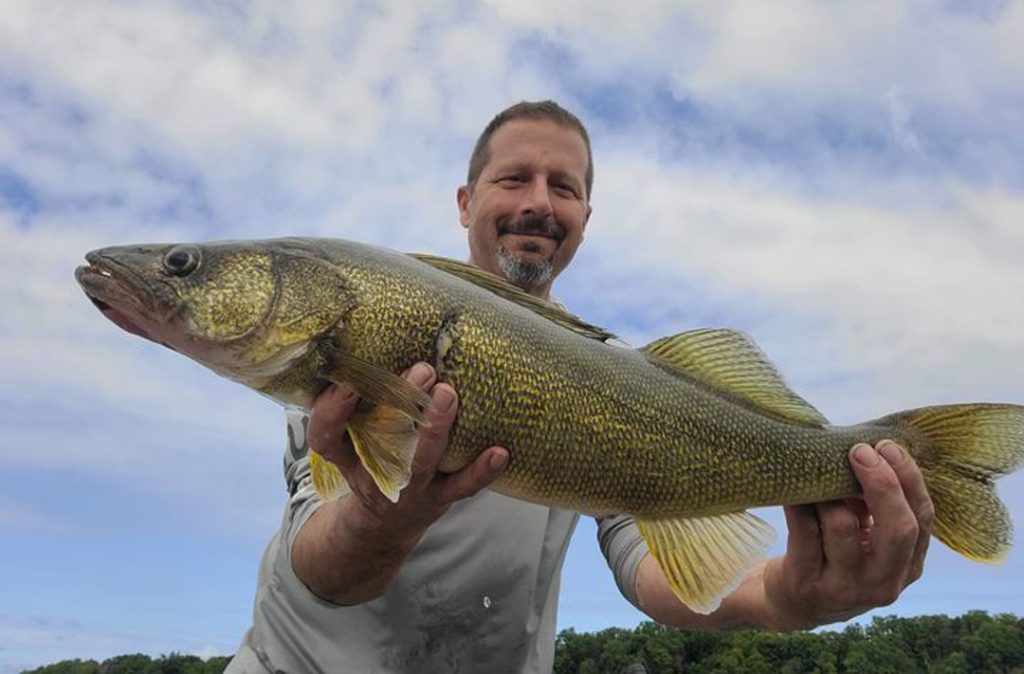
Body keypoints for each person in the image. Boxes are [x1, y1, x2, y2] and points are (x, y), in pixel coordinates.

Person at [226, 101, 934, 673]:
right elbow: (322, 566)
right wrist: (382, 520)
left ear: (584, 223)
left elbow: (652, 565)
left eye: (564, 188)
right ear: (466, 201)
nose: (539, 202)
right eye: (514, 179)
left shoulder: (630, 377)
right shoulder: (364, 335)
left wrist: (787, 597)